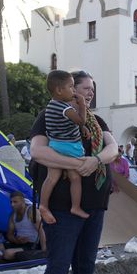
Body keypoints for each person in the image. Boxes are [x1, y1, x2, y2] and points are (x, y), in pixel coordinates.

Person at [29, 69, 118, 274]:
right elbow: (37, 151)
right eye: (83, 87)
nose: (89, 93)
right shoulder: (50, 114)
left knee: (86, 267)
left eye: (92, 89)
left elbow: (113, 148)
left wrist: (93, 161)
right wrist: (75, 162)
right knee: (58, 267)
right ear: (68, 89)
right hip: (61, 207)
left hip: (94, 204)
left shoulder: (97, 121)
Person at [38, 70, 90, 225]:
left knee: (51, 178)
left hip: (55, 145)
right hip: (69, 148)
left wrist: (82, 129)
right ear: (59, 90)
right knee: (75, 178)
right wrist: (82, 105)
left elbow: (65, 126)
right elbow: (80, 120)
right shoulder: (65, 109)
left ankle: (43, 205)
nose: (74, 91)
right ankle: (75, 207)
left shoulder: (51, 106)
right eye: (71, 87)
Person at [2, 191, 46, 261]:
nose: (12, 204)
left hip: (32, 244)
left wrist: (44, 250)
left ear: (22, 201)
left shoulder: (31, 211)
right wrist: (17, 240)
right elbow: (9, 235)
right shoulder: (13, 215)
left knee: (7, 254)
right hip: (20, 243)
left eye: (15, 202)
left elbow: (41, 230)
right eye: (11, 202)